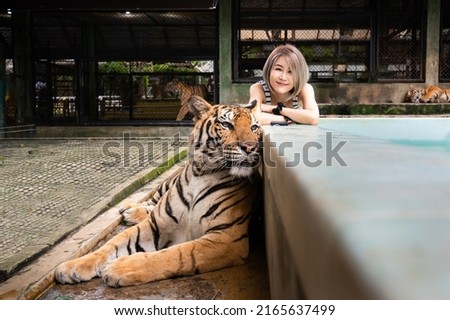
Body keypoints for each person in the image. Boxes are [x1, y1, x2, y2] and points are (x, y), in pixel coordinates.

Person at [249, 44, 320, 125]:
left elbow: (313, 118)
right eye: (278, 69)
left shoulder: (304, 88)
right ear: (269, 70)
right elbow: (253, 117)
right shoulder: (258, 88)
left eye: (290, 72)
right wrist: (294, 118)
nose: (283, 77)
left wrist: (277, 109)